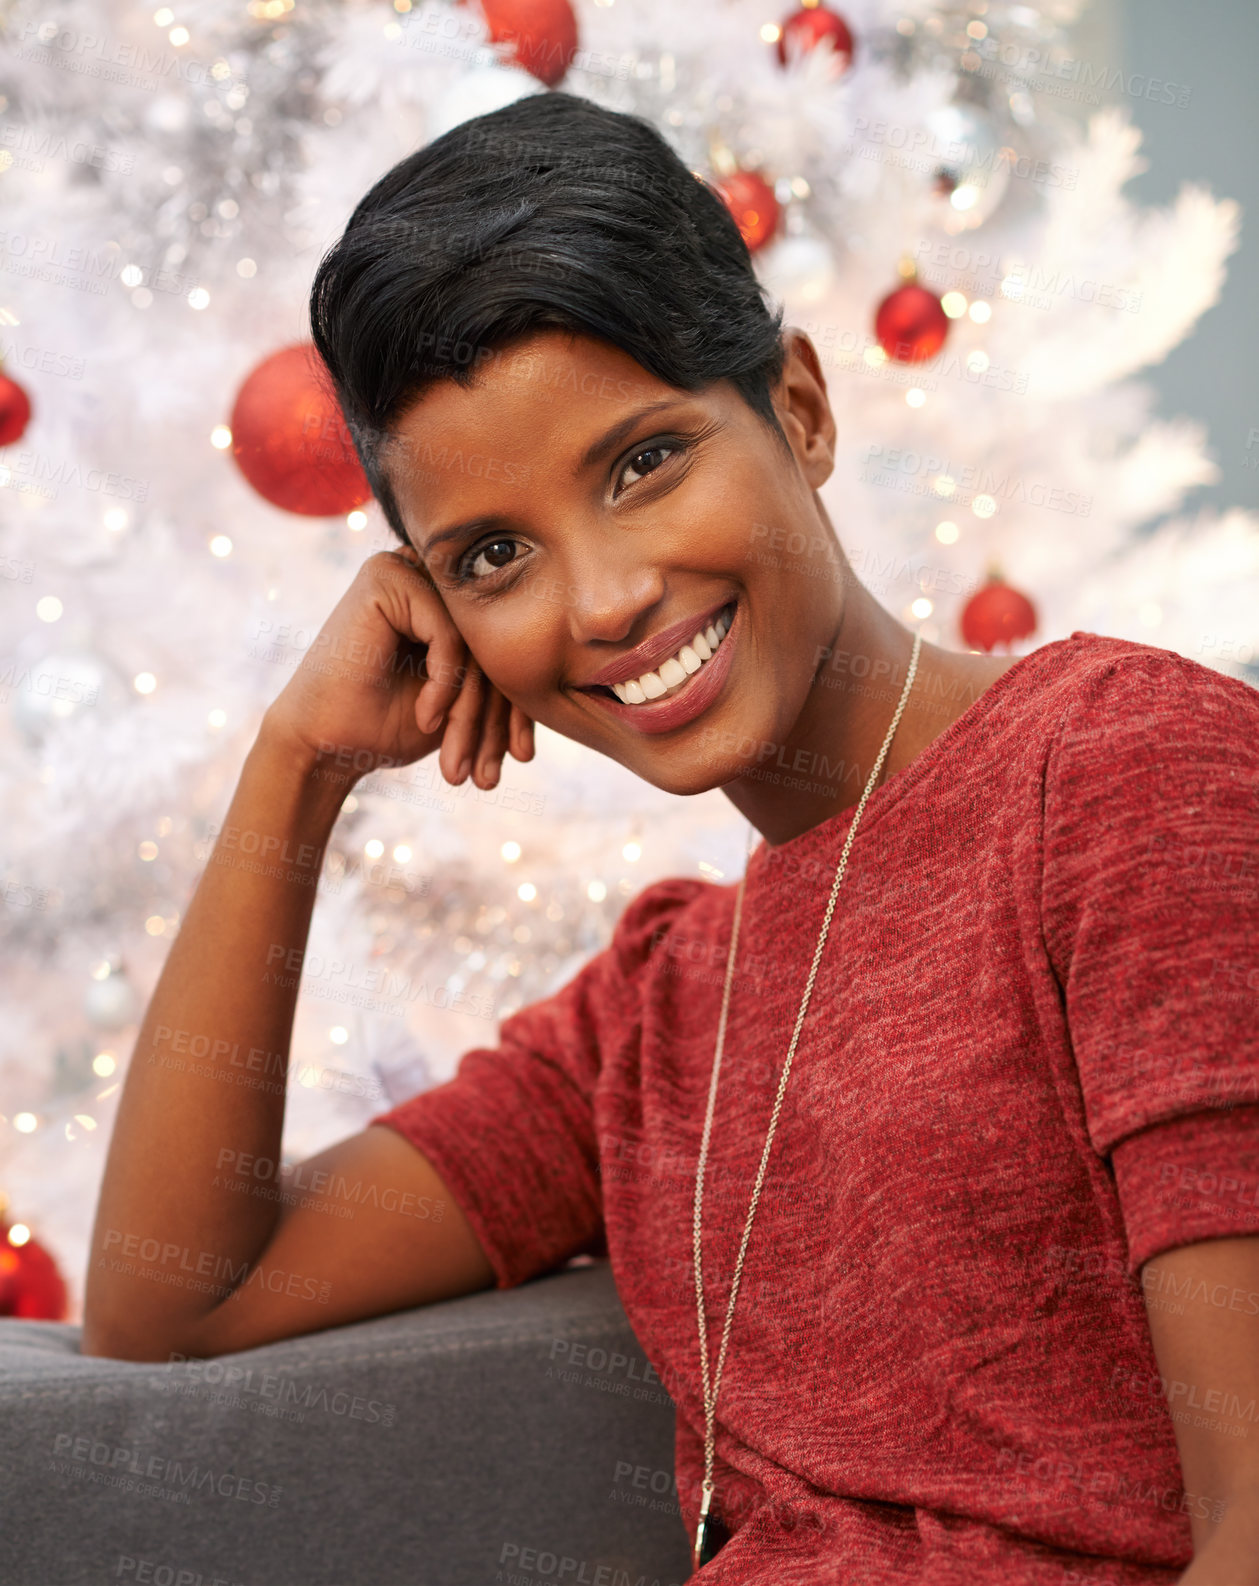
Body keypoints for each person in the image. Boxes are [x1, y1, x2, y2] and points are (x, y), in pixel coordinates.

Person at [82, 91, 1259, 1584]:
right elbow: (171, 1299)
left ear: (804, 411)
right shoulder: (657, 1015)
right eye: (494, 556)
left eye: (642, 463)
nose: (603, 600)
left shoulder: (1126, 777)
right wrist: (295, 769)